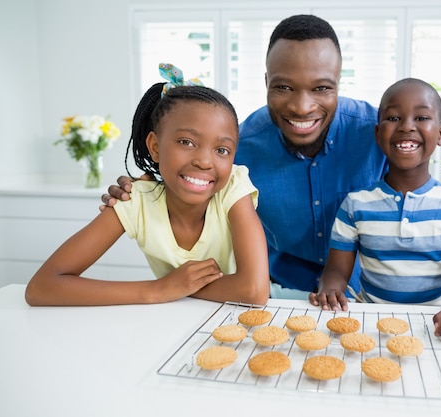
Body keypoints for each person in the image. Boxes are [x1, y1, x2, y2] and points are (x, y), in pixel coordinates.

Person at [101, 15, 441, 300]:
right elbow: (196, 176)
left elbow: (415, 163)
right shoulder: (243, 144)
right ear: (266, 83)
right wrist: (148, 185)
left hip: (363, 296)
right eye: (284, 87)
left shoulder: (376, 129)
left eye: (321, 88)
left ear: (339, 83)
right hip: (275, 290)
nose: (302, 106)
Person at [25, 64, 269, 306]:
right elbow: (42, 287)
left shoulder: (232, 188)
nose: (205, 161)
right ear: (155, 147)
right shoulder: (136, 201)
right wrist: (157, 289)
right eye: (187, 142)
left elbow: (255, 291)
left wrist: (176, 288)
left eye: (222, 150)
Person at [309, 78, 441, 344]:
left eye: (421, 117)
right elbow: (337, 270)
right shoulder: (355, 204)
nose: (407, 126)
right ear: (378, 133)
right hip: (370, 324)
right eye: (394, 117)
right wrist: (331, 289)